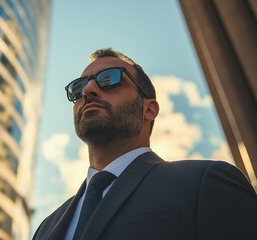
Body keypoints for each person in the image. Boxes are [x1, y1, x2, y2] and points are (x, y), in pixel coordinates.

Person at [33, 48, 257, 240]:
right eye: (78, 87)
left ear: (149, 109)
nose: (87, 91)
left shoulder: (205, 182)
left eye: (109, 78)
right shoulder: (46, 227)